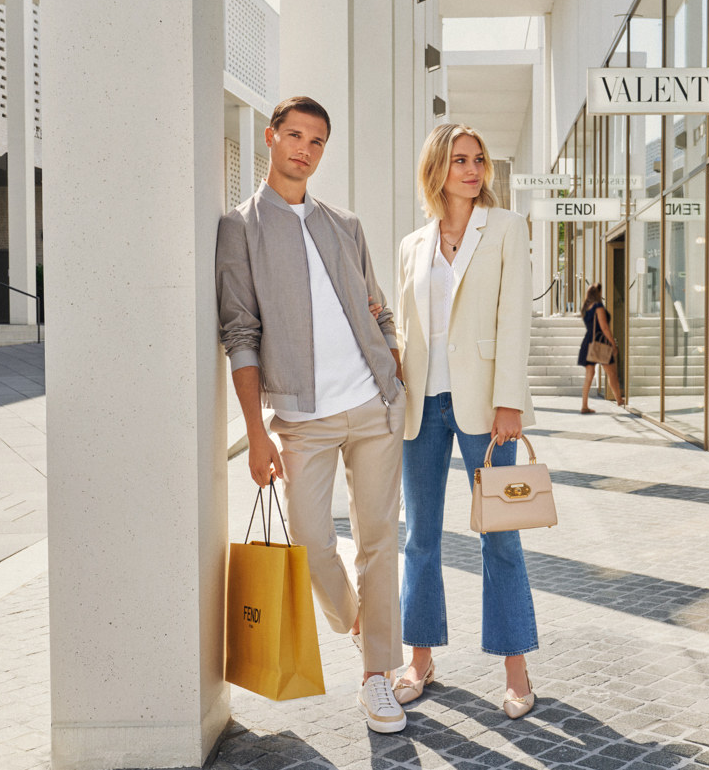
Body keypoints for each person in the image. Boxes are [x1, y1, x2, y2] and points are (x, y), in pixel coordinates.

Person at [215, 96, 408, 734]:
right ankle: (358, 622)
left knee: (381, 540)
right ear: (270, 138)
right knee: (310, 539)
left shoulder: (344, 223)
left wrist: (394, 360)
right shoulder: (240, 228)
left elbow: (377, 306)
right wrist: (254, 433)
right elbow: (240, 333)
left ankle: (377, 673)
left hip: (374, 407)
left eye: (317, 141)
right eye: (294, 135)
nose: (304, 149)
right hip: (303, 421)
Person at [391, 123, 539, 719]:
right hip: (422, 404)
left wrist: (511, 400)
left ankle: (516, 667)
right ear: (437, 169)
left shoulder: (505, 228)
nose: (473, 170)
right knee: (420, 535)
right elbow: (405, 331)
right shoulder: (412, 245)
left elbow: (513, 322)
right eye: (460, 160)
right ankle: (420, 658)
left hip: (485, 405)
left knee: (499, 532)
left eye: (479, 159)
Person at [578, 283, 624, 412]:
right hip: (600, 342)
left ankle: (584, 405)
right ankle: (619, 399)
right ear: (598, 293)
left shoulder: (586, 308)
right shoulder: (598, 307)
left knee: (589, 375)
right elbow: (604, 327)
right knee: (612, 373)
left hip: (588, 343)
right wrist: (613, 344)